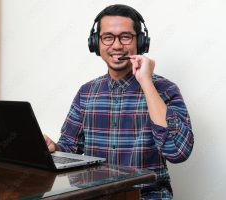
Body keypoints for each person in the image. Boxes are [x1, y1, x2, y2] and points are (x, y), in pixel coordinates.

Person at [44, 4, 194, 199]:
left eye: (125, 37)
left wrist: (146, 82)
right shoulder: (86, 92)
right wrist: (53, 148)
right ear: (95, 43)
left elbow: (177, 152)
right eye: (108, 37)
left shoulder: (165, 89)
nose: (116, 45)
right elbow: (69, 147)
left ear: (140, 42)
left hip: (146, 195)